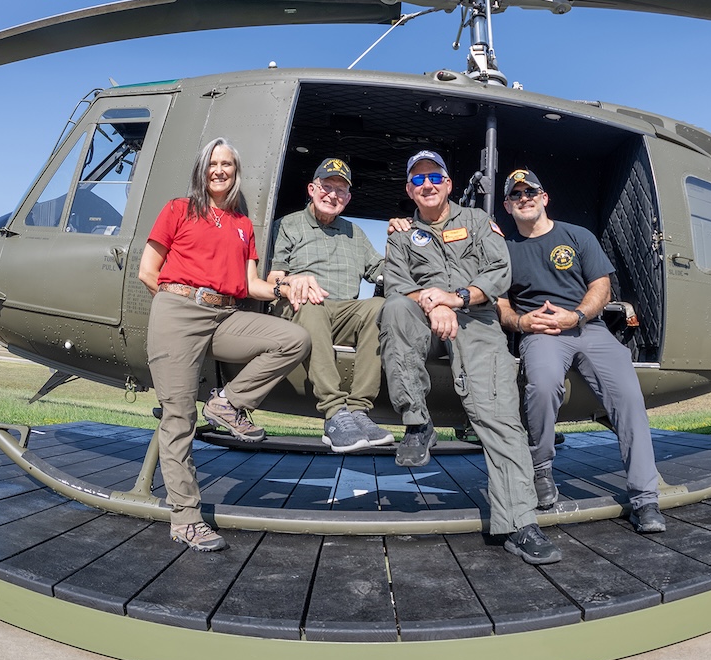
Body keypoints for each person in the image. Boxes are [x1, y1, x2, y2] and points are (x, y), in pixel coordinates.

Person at [379, 150, 561, 565]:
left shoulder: (478, 222)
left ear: (447, 183)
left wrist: (456, 298)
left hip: (476, 320)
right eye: (418, 180)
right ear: (410, 189)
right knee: (393, 310)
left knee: (497, 413)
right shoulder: (401, 236)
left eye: (434, 177)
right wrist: (435, 304)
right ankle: (417, 423)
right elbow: (396, 285)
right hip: (423, 316)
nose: (427, 185)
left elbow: (499, 272)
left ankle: (519, 522)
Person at [138, 138, 311, 551]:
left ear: (235, 172)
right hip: (178, 311)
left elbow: (252, 285)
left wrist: (286, 286)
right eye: (213, 163)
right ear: (202, 169)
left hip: (225, 314)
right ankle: (185, 519)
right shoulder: (179, 209)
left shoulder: (242, 224)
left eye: (227, 164)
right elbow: (149, 270)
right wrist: (174, 310)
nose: (219, 170)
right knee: (178, 418)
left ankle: (227, 404)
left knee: (293, 339)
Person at [496, 168, 667, 533]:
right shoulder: (505, 251)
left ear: (544, 198)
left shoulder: (577, 235)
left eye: (531, 192)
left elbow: (601, 287)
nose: (524, 198)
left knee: (628, 398)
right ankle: (541, 470)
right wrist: (522, 323)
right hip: (540, 333)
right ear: (508, 207)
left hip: (589, 328)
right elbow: (499, 304)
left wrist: (575, 316)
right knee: (541, 386)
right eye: (516, 195)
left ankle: (645, 498)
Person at [266, 157, 393, 453]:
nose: (332, 195)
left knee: (379, 307)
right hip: (299, 307)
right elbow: (274, 275)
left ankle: (359, 411)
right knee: (311, 302)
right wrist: (293, 282)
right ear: (312, 189)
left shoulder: (354, 233)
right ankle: (335, 413)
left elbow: (381, 270)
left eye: (340, 190)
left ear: (348, 199)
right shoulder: (288, 224)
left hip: (342, 312)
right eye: (326, 186)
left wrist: (400, 245)